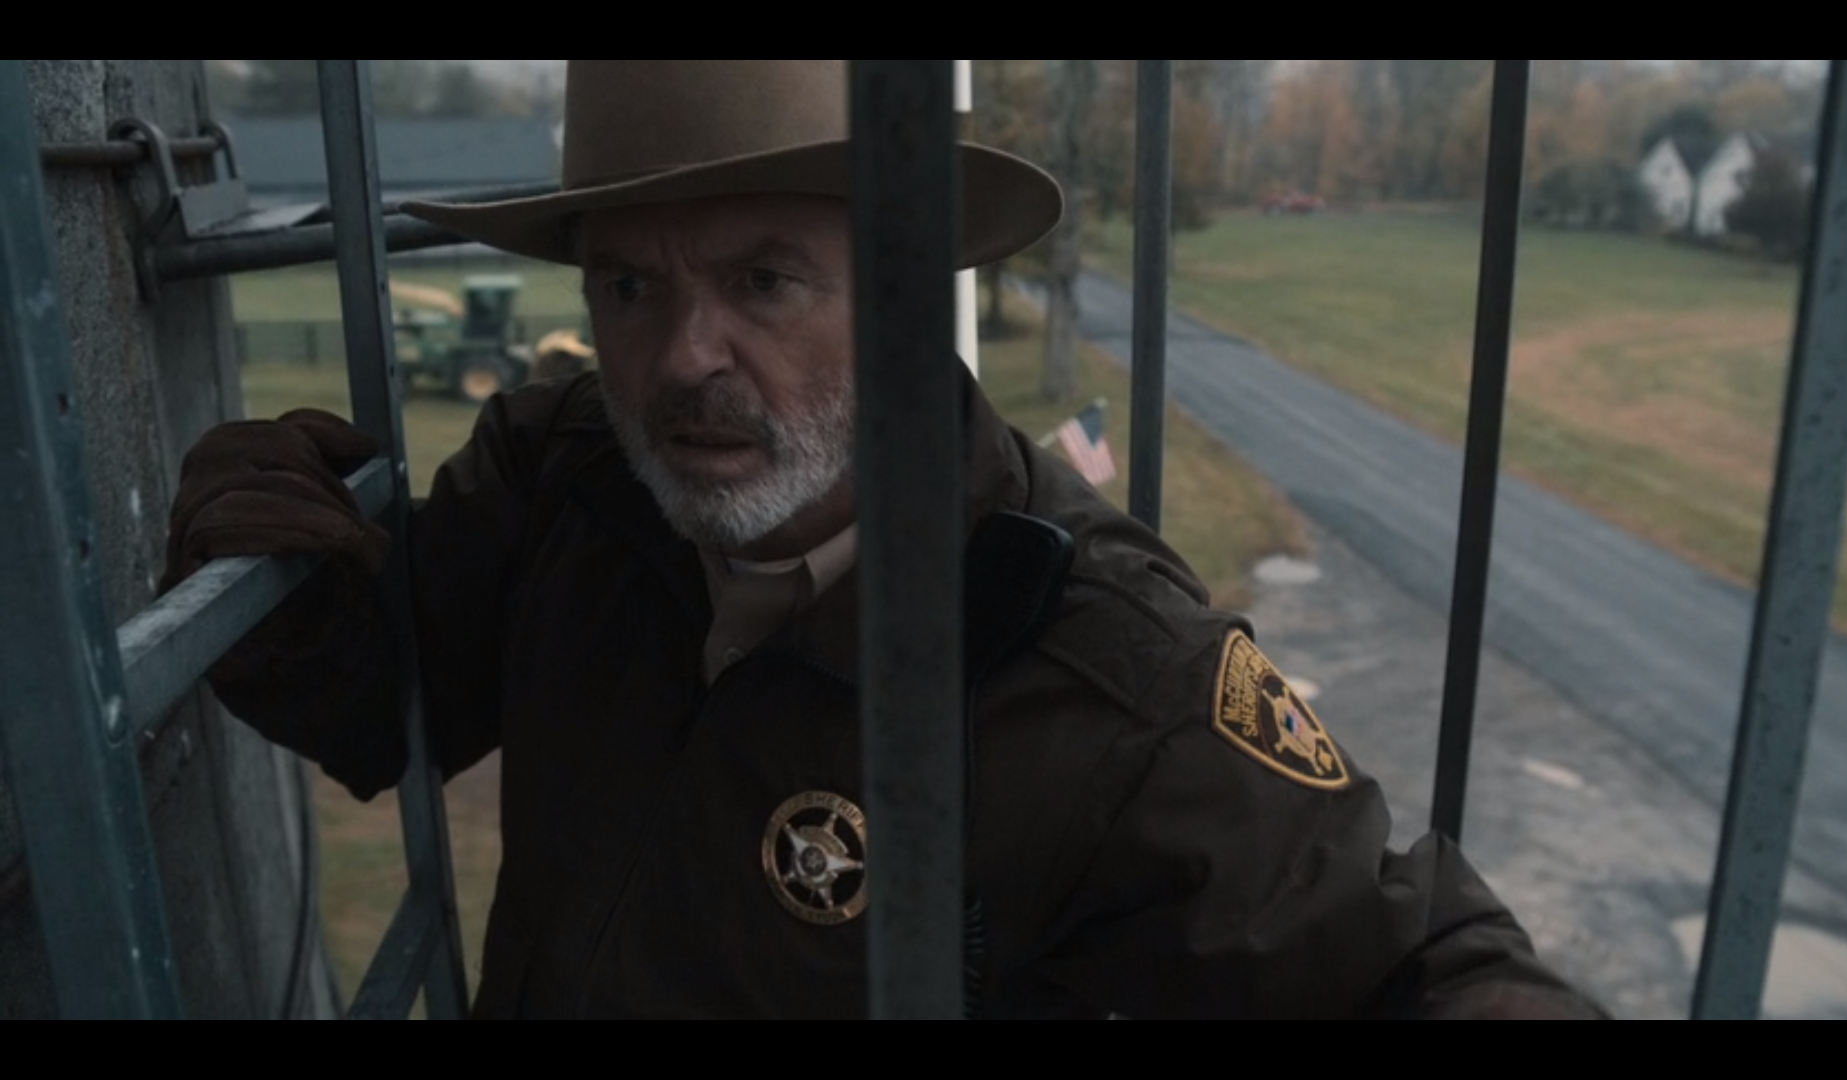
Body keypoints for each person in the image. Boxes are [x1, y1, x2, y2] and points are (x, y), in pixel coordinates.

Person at [167, 61, 1596, 1018]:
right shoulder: (572, 477)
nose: (681, 358)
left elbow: (1411, 968)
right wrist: (276, 576)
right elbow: (387, 693)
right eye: (629, 287)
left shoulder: (1105, 675)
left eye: (762, 280)